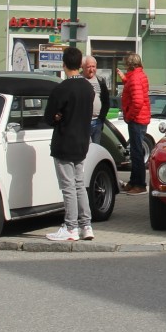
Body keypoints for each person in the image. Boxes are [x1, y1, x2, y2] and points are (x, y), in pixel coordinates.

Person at [43, 46, 95, 242]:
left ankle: (70, 227)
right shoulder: (88, 88)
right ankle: (86, 225)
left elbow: (49, 117)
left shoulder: (62, 88)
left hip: (64, 141)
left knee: (68, 186)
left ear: (64, 65)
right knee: (79, 184)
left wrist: (58, 117)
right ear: (80, 64)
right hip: (82, 141)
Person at [120, 52, 151, 193]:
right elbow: (136, 91)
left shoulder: (135, 79)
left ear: (129, 65)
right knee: (135, 152)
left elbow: (137, 101)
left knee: (137, 153)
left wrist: (130, 115)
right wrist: (125, 80)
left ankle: (139, 184)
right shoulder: (139, 76)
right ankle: (134, 182)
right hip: (140, 118)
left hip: (136, 120)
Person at [80, 56, 110, 140]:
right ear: (82, 67)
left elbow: (106, 101)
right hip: (83, 123)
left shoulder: (100, 80)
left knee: (96, 148)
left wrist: (102, 117)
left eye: (93, 66)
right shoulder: (78, 80)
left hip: (98, 122)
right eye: (88, 67)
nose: (91, 69)